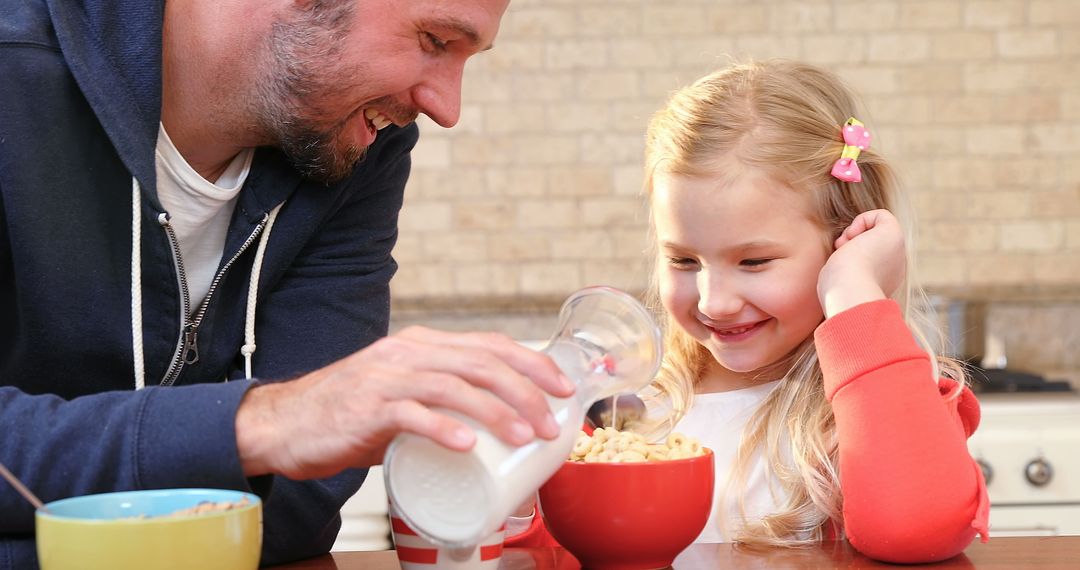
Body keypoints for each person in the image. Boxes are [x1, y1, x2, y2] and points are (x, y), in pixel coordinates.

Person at [0, 0, 573, 568]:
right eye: (434, 41)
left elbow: (301, 504)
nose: (447, 108)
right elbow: (292, 447)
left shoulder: (355, 149)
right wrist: (266, 423)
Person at [507, 60, 990, 563]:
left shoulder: (881, 402)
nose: (715, 301)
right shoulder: (621, 412)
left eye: (753, 261)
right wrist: (515, 503)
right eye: (683, 260)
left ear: (842, 242)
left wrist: (854, 293)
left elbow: (917, 530)